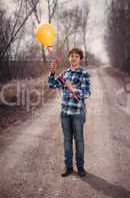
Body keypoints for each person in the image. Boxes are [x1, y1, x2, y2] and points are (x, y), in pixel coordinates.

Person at [48, 47, 91, 177]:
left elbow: (87, 93)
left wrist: (74, 89)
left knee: (79, 140)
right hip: (65, 113)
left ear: (80, 59)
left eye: (76, 56)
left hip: (78, 113)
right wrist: (52, 72)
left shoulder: (84, 73)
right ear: (68, 58)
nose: (73, 58)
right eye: (71, 55)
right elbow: (52, 85)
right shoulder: (64, 74)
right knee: (67, 140)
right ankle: (68, 167)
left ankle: (80, 167)